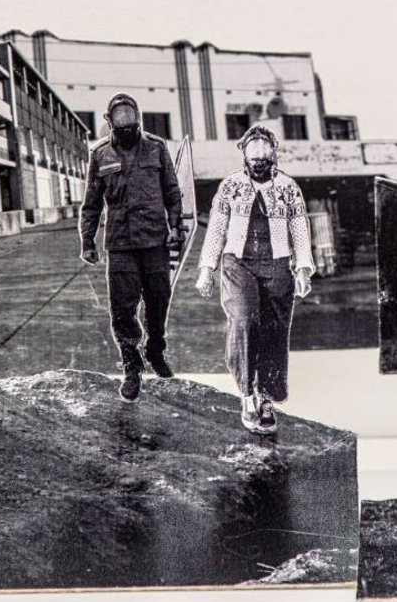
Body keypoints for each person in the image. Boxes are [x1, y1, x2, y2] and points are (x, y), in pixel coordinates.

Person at [195, 126, 313, 434]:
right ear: (244, 155)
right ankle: (247, 396)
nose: (259, 161)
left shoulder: (288, 187)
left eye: (265, 156)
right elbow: (217, 227)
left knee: (275, 329)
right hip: (238, 264)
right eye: (253, 156)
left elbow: (299, 227)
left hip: (277, 264)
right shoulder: (230, 185)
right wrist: (207, 268)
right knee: (244, 322)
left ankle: (267, 399)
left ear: (274, 155)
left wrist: (303, 268)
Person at [80, 92, 187, 403]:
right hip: (121, 243)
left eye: (131, 117)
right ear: (109, 120)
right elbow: (91, 203)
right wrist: (87, 241)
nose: (126, 124)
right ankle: (131, 366)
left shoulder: (157, 147)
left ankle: (155, 350)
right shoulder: (100, 155)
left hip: (155, 239)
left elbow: (172, 192)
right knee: (122, 307)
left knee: (158, 301)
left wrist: (176, 228)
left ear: (138, 117)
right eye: (120, 118)